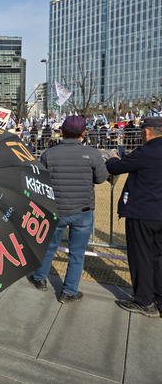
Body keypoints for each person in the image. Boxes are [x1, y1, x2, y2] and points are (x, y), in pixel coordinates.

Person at [29, 116, 109, 303]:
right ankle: (69, 291)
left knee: (48, 247)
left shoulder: (49, 154)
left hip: (55, 209)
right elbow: (101, 178)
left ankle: (40, 278)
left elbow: (42, 180)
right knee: (77, 253)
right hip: (83, 210)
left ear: (62, 132)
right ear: (83, 133)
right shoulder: (93, 154)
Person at [106, 117, 162, 317]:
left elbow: (114, 168)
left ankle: (144, 301)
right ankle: (159, 299)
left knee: (141, 257)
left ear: (147, 132)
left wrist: (113, 157)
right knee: (159, 258)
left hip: (143, 213)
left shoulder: (145, 152)